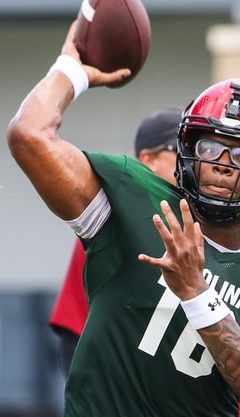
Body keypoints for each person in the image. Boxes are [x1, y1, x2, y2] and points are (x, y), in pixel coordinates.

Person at [7, 22, 240, 417]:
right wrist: (71, 70)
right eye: (211, 147)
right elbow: (29, 136)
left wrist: (197, 294)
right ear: (186, 151)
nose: (223, 166)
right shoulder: (133, 202)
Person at [48, 105, 181, 374]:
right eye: (181, 150)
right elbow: (76, 329)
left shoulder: (195, 221)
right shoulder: (116, 216)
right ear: (148, 159)